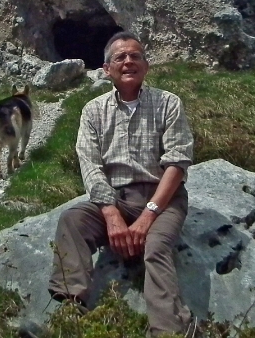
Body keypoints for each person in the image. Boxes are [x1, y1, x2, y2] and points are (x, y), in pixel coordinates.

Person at [48, 31, 197, 337]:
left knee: (155, 248)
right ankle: (69, 312)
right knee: (72, 221)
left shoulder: (168, 103)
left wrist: (147, 217)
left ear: (146, 65)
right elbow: (90, 165)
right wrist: (112, 215)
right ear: (106, 69)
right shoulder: (92, 110)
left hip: (162, 200)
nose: (129, 61)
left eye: (136, 56)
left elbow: (177, 163)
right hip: (114, 199)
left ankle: (169, 331)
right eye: (120, 57)